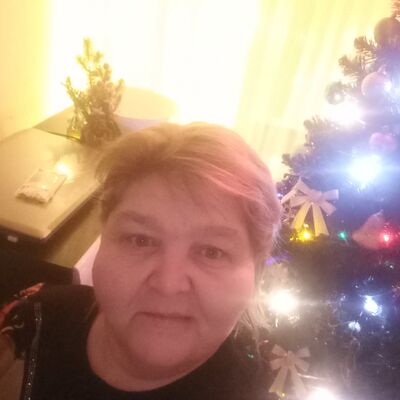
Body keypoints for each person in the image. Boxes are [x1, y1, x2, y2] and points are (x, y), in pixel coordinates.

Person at [0, 122, 281, 399]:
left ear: (255, 272)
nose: (168, 285)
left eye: (211, 251)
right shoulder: (33, 319)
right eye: (141, 240)